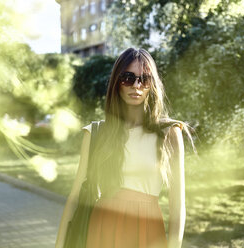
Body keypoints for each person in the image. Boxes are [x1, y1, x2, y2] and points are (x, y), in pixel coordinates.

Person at [55, 48, 196, 248]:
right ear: (116, 82)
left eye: (144, 79)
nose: (136, 86)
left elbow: (177, 206)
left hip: (146, 232)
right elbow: (75, 196)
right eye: (128, 78)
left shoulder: (169, 133)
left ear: (152, 85)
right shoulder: (96, 133)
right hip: (101, 231)